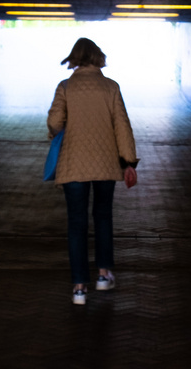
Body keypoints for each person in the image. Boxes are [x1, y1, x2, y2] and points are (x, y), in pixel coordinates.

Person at [47, 37, 138, 305]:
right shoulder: (111, 87)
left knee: (76, 224)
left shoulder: (65, 87)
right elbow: (122, 126)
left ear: (74, 57)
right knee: (102, 217)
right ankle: (102, 275)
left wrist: (60, 131)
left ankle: (78, 288)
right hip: (105, 165)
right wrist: (129, 160)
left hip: (73, 165)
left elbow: (54, 121)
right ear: (98, 57)